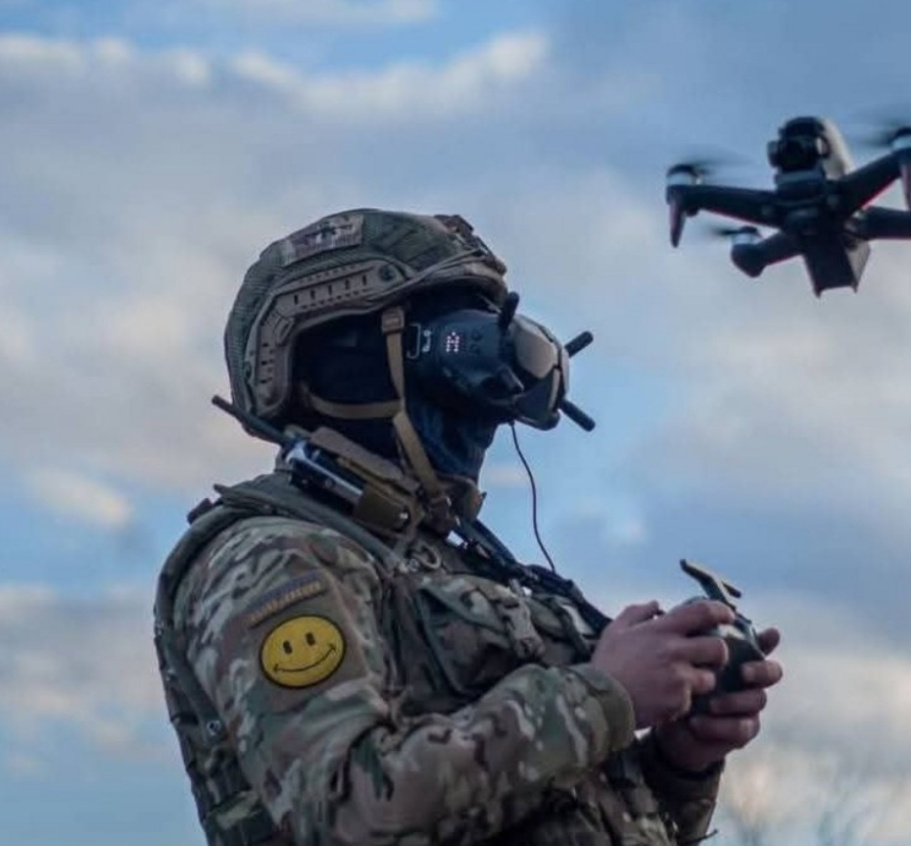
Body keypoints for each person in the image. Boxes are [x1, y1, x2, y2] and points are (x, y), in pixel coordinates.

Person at [152, 208, 783, 846]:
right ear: (350, 361)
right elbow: (353, 815)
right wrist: (605, 696)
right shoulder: (271, 555)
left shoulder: (450, 566)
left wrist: (680, 760)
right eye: (465, 348)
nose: (485, 404)